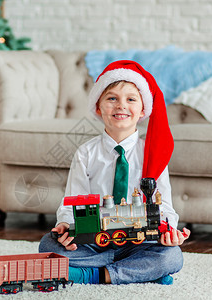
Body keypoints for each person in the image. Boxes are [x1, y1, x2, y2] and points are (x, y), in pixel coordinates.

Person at [38, 60, 190, 285]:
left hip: (137, 243)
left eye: (131, 99)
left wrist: (170, 232)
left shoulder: (152, 155)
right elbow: (71, 203)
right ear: (98, 108)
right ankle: (140, 273)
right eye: (112, 99)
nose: (121, 106)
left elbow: (164, 205)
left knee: (172, 256)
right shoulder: (86, 153)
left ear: (143, 110)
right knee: (47, 246)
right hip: (94, 240)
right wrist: (65, 227)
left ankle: (95, 275)